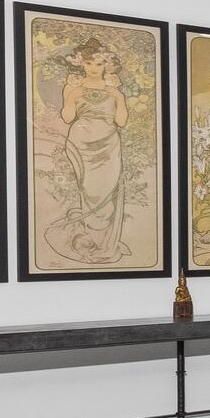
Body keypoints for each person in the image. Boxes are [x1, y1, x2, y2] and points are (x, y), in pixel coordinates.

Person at [47, 40, 129, 262]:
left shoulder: (114, 91)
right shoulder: (73, 88)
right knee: (87, 190)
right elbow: (67, 118)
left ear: (108, 65)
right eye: (89, 62)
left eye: (100, 63)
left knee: (108, 189)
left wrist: (120, 99)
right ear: (80, 63)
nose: (94, 67)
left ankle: (105, 241)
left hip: (109, 143)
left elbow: (121, 122)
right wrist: (71, 97)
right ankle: (88, 238)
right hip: (81, 143)